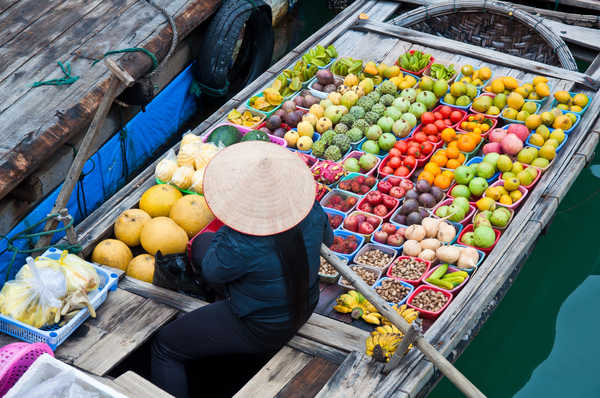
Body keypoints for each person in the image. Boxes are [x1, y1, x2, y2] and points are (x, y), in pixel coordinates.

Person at [151, 141, 334, 397]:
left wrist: (230, 231)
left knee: (166, 347)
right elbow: (328, 239)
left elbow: (213, 272)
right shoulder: (309, 208)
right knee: (203, 243)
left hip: (263, 325)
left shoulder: (241, 240)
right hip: (306, 301)